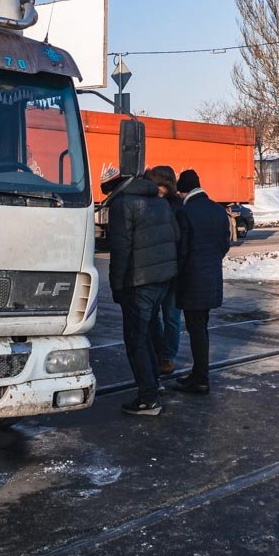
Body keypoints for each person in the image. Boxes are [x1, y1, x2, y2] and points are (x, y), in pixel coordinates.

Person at [107, 170, 180, 415]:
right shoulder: (160, 203)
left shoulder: (122, 204)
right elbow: (175, 237)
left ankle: (148, 398)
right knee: (146, 334)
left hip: (138, 283)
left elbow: (120, 250)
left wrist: (116, 285)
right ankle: (154, 384)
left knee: (135, 340)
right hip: (163, 279)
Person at [172, 169, 231, 394]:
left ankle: (200, 378)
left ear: (183, 190)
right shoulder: (218, 210)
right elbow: (224, 245)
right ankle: (199, 374)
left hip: (192, 280)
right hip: (212, 278)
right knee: (202, 328)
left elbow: (182, 251)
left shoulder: (185, 212)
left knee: (196, 330)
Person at [145, 166, 183, 374]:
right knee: (160, 316)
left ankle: (167, 356)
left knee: (170, 315)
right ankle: (162, 353)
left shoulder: (174, 207)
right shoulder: (161, 204)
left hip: (172, 272)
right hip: (162, 270)